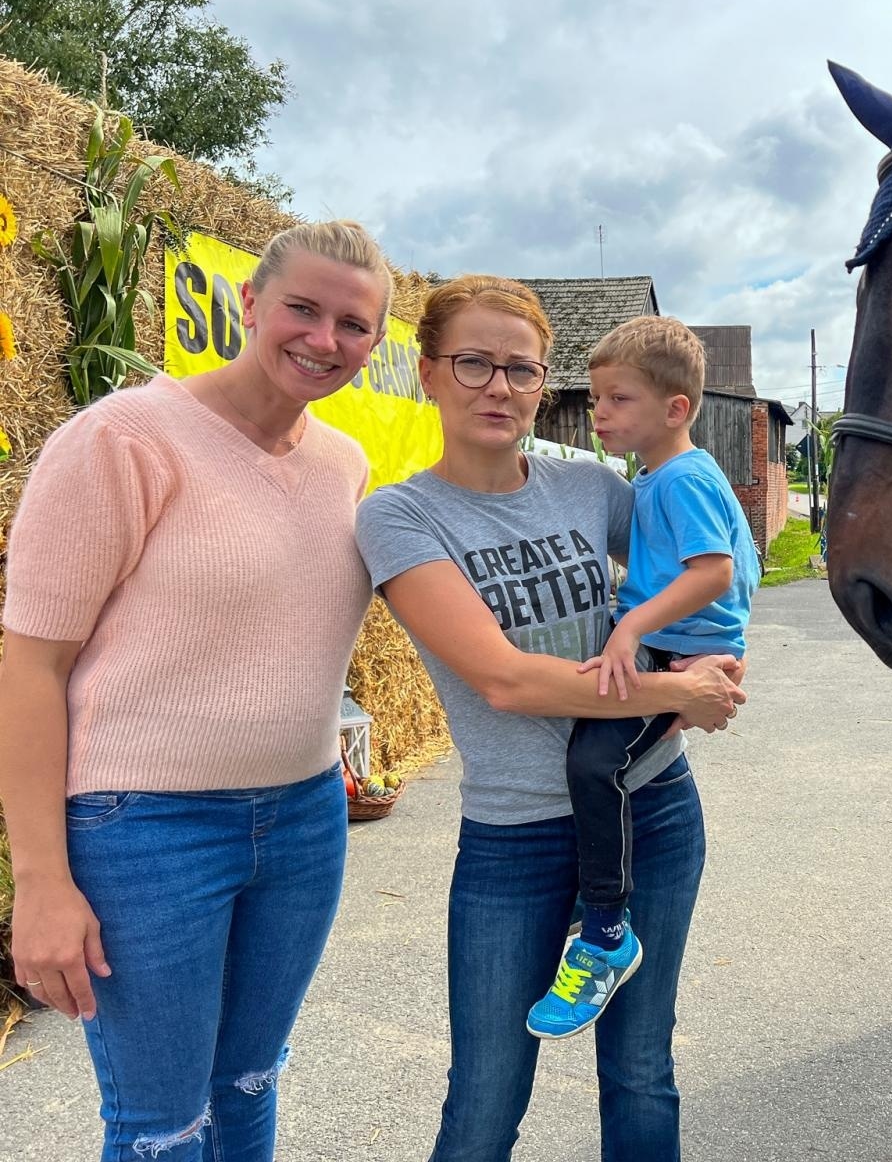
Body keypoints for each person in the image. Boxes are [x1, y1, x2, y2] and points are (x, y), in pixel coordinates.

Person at [0, 220, 392, 1161]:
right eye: (302, 308)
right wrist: (44, 881)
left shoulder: (344, 464)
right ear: (251, 304)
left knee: (249, 1083)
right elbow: (28, 667)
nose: (324, 340)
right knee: (161, 1126)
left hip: (304, 817)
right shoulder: (123, 441)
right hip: (145, 831)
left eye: (354, 325)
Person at [353, 275, 744, 1162]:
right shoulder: (401, 516)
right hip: (515, 837)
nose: (499, 387)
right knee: (486, 1097)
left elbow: (704, 563)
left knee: (642, 1069)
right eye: (475, 364)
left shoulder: (592, 489)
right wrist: (678, 695)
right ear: (427, 373)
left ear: (541, 384)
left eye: (521, 371)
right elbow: (508, 683)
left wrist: (718, 653)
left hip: (655, 813)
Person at [525, 316, 759, 1040]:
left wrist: (633, 627)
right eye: (596, 399)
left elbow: (715, 570)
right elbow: (724, 562)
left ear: (675, 408)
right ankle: (602, 899)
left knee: (597, 765)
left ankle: (603, 933)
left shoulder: (683, 476)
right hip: (671, 647)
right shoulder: (663, 475)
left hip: (673, 652)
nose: (600, 414)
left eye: (618, 399)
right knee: (595, 762)